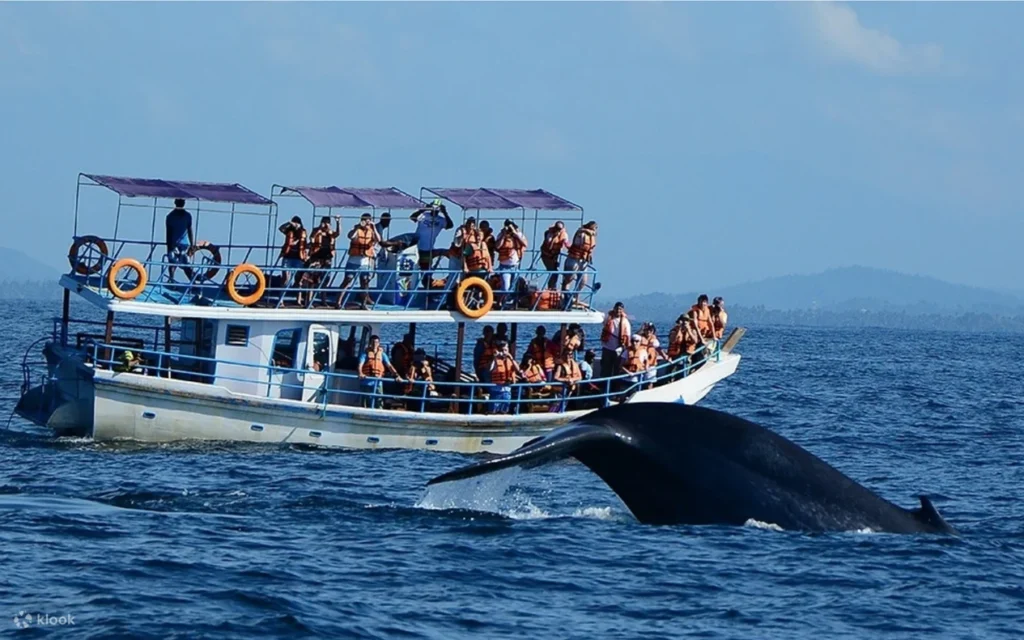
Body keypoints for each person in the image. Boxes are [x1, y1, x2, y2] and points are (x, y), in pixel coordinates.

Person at [335, 213, 381, 309]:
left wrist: (374, 227)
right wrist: (357, 227)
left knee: (364, 282)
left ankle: (363, 304)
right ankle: (338, 302)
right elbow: (350, 236)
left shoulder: (372, 231)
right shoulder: (357, 229)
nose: (366, 222)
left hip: (365, 262)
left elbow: (378, 240)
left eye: (368, 220)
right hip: (353, 261)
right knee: (347, 281)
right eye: (364, 219)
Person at [410, 199, 454, 284]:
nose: (434, 212)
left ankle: (428, 289)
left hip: (427, 250)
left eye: (436, 210)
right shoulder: (424, 215)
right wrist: (424, 209)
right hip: (416, 248)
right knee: (412, 271)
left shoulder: (441, 220)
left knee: (425, 272)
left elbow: (450, 225)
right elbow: (412, 217)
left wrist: (445, 212)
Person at [300, 215, 341, 306]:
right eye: (324, 222)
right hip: (316, 258)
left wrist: (338, 222)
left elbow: (338, 233)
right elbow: (311, 239)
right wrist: (318, 230)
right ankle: (309, 301)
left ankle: (323, 300)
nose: (326, 225)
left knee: (325, 280)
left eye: (327, 223)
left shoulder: (331, 233)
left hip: (327, 259)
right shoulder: (316, 230)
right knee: (312, 280)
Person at [358, 335, 404, 408]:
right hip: (367, 382)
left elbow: (389, 366)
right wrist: (360, 373)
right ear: (370, 343)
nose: (374, 344)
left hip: (378, 382)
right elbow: (360, 364)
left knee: (379, 401)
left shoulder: (382, 354)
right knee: (365, 403)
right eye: (373, 342)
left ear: (379, 343)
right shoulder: (365, 354)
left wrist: (397, 376)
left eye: (376, 342)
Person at [562, 220, 598, 302]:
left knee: (583, 281)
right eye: (595, 228)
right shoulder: (581, 233)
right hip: (575, 258)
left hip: (584, 260)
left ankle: (575, 297)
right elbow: (580, 245)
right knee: (569, 278)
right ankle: (565, 296)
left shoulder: (592, 235)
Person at [488, 339, 522, 414]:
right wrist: (494, 357)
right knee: (494, 410)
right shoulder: (495, 360)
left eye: (506, 350)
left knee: (505, 409)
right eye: (502, 350)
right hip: (496, 390)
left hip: (507, 390)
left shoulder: (510, 360)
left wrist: (511, 358)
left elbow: (518, 370)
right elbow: (490, 369)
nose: (504, 352)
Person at [494, 219, 527, 294]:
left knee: (513, 287)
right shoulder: (501, 234)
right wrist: (504, 235)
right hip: (505, 267)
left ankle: (509, 302)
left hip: (515, 266)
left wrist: (515, 233)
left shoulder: (518, 234)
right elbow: (497, 246)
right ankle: (502, 303)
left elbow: (525, 244)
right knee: (506, 287)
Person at [278, 216, 308, 299]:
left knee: (299, 280)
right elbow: (281, 229)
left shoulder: (303, 231)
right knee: (285, 279)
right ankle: (281, 300)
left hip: (299, 258)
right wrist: (289, 223)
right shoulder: (289, 230)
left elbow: (303, 240)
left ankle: (298, 299)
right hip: (288, 257)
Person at [165, 198, 195, 280]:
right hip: (184, 244)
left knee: (172, 263)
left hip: (174, 244)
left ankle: (171, 279)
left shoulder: (170, 216)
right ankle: (192, 282)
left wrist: (168, 247)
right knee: (185, 265)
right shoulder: (187, 216)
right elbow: (190, 230)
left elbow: (168, 233)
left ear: (175, 203)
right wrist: (192, 244)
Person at [599, 302, 631, 378]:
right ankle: (604, 386)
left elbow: (628, 336)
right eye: (616, 308)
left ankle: (615, 386)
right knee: (605, 369)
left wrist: (627, 348)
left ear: (623, 310)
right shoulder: (608, 318)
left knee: (617, 369)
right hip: (607, 348)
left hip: (618, 349)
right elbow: (601, 317)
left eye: (620, 309)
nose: (618, 310)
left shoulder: (625, 322)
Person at [540, 221, 569, 289]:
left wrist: (566, 244)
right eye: (557, 228)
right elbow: (549, 244)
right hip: (546, 256)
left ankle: (553, 287)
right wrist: (554, 236)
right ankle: (551, 287)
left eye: (560, 229)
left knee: (555, 272)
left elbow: (566, 243)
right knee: (554, 272)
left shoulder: (564, 235)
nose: (558, 230)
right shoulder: (549, 234)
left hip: (555, 257)